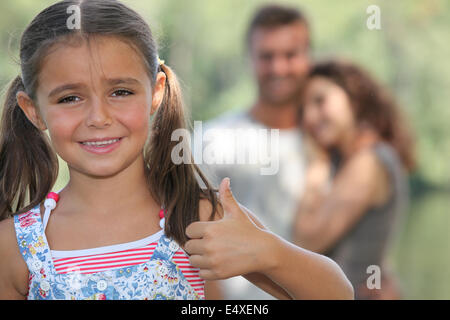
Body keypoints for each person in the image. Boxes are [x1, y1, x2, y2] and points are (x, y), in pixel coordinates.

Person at [0, 0, 353, 300]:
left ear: (155, 92)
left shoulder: (198, 217)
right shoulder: (15, 246)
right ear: (34, 111)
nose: (98, 117)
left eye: (121, 91)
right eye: (70, 98)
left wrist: (270, 253)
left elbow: (338, 294)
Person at [202, 4, 312, 299]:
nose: (279, 68)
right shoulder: (212, 140)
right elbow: (189, 240)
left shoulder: (329, 141)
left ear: (308, 57)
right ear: (250, 60)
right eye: (267, 57)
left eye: (290, 55)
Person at [293, 59, 415, 299]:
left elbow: (304, 244)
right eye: (303, 109)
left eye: (320, 100)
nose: (309, 117)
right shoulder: (347, 161)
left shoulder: (368, 162)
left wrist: (317, 168)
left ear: (354, 98)